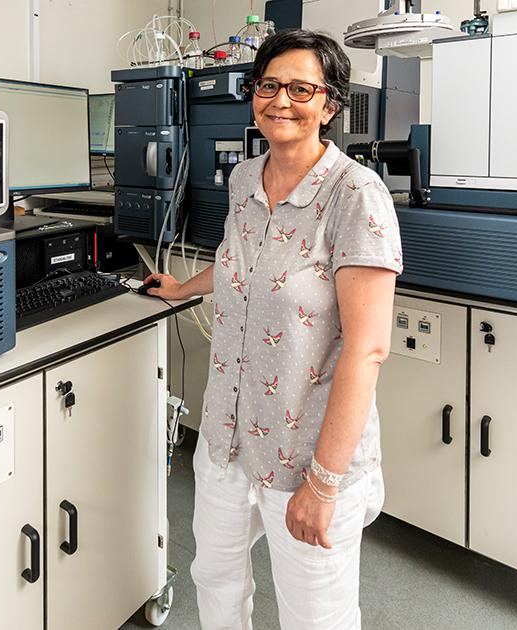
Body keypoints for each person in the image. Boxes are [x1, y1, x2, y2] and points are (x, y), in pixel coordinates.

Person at [144, 28, 403, 630]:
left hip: (305, 454)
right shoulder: (244, 179)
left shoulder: (355, 196)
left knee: (315, 616)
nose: (280, 100)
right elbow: (246, 260)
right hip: (227, 437)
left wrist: (323, 482)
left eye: (300, 88)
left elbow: (367, 350)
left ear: (330, 105)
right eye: (268, 85)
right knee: (216, 582)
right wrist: (184, 288)